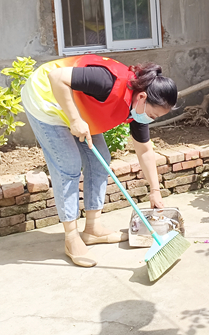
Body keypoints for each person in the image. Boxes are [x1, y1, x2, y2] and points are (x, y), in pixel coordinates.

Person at [21, 55, 177, 268]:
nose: (151, 119)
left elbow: (144, 150)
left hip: (76, 104)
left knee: (100, 158)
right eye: (153, 114)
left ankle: (92, 229)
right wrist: (75, 120)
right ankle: (71, 238)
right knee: (68, 165)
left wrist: (155, 191)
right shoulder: (107, 81)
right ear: (142, 97)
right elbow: (56, 77)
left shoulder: (137, 109)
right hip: (45, 99)